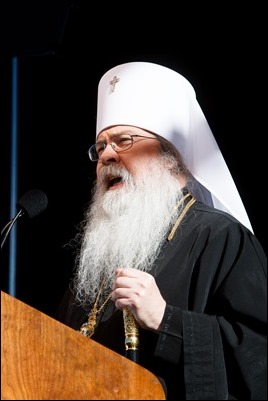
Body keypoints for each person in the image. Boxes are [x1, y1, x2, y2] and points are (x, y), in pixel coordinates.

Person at [56, 61, 267, 400]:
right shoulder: (98, 257)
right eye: (101, 146)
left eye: (124, 140)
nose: (107, 154)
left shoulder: (222, 238)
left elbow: (259, 357)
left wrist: (166, 319)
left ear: (170, 156)